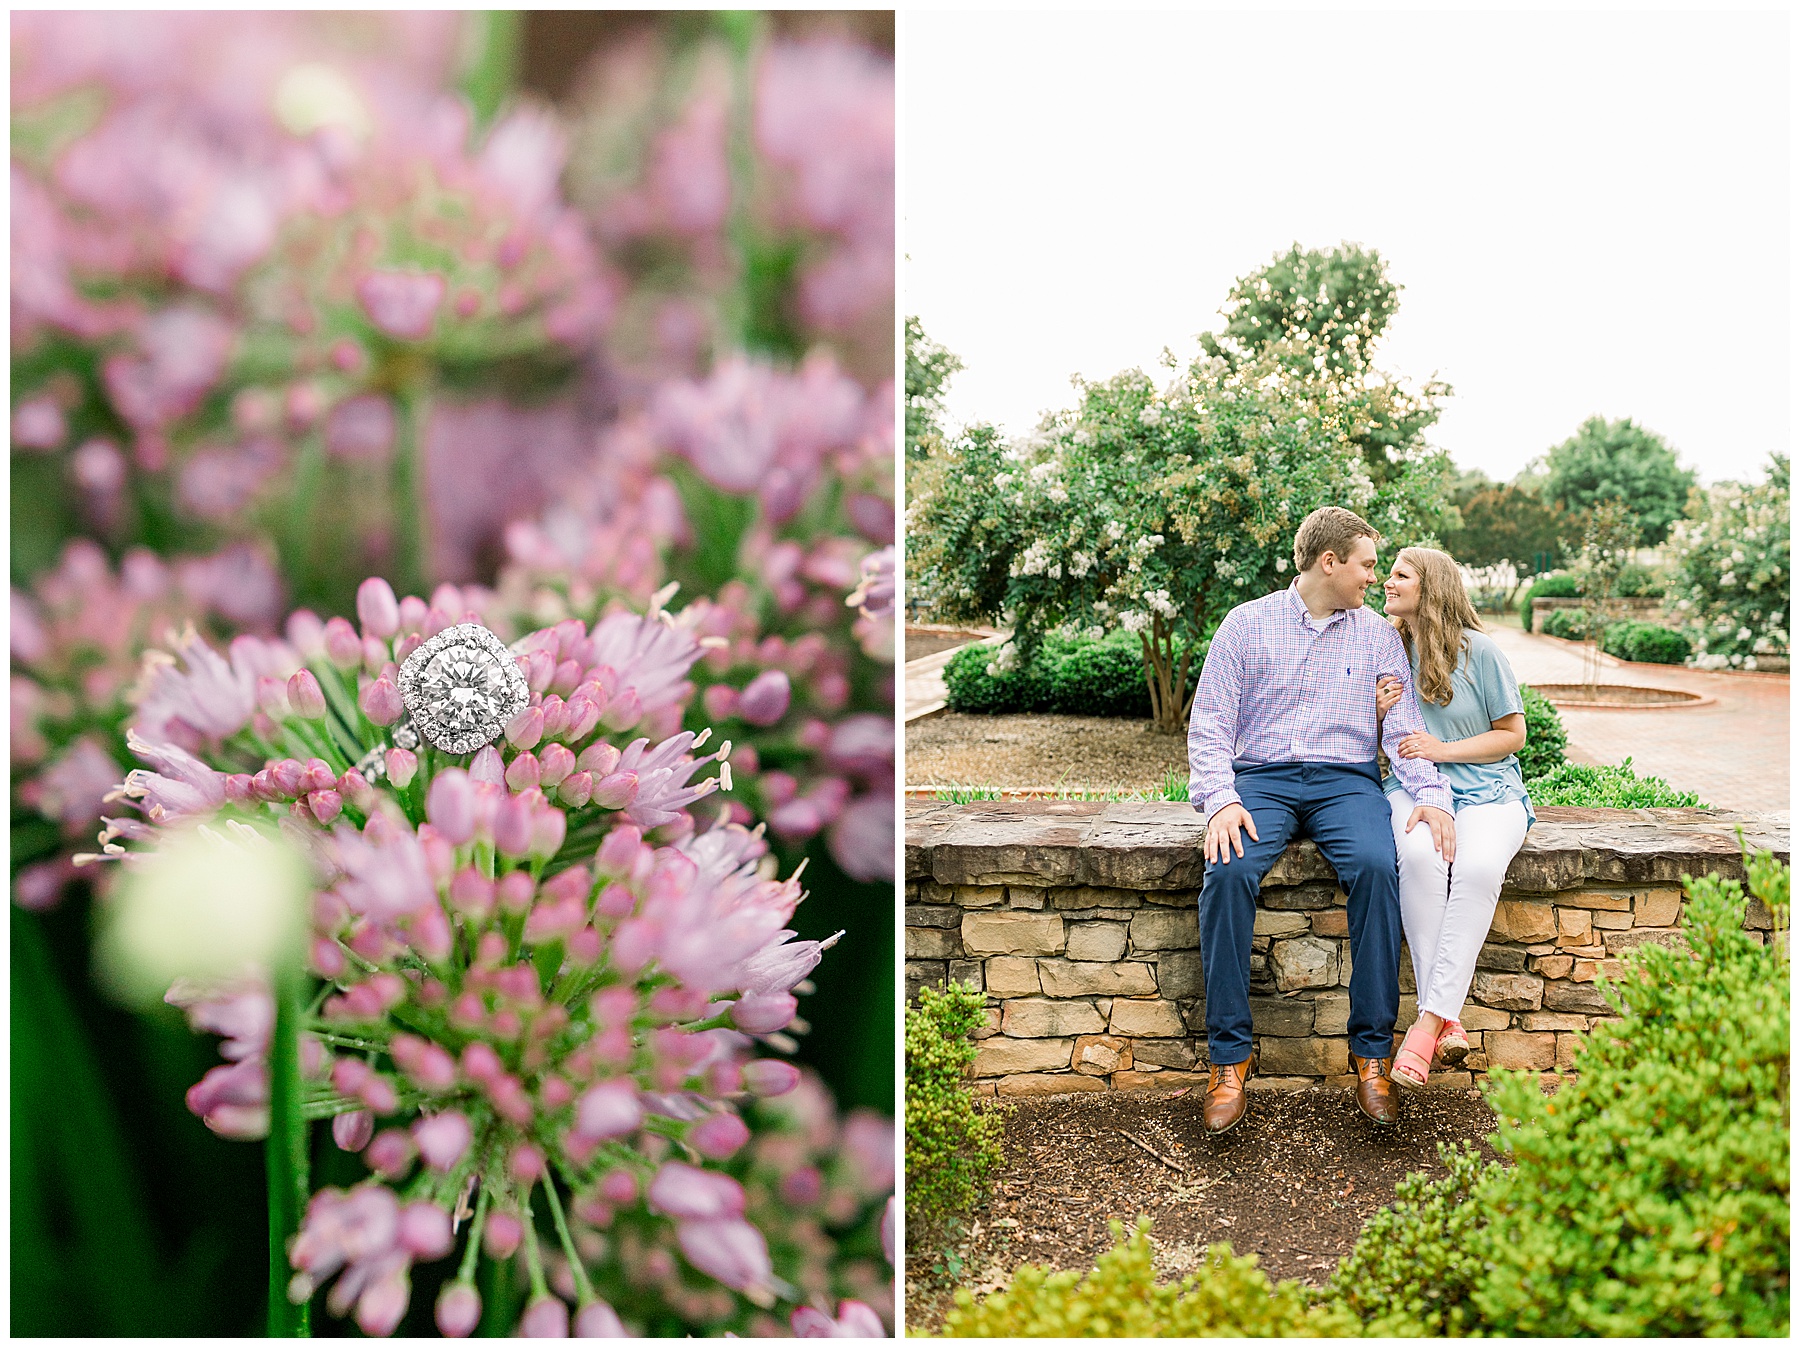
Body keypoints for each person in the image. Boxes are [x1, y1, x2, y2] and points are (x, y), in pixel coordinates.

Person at [1187, 506, 1455, 1134]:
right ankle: (1230, 1060)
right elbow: (1210, 723)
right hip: (1262, 781)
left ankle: (1370, 1056)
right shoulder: (1245, 625)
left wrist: (1431, 796)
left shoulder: (1378, 636)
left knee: (1374, 865)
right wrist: (1221, 799)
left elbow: (1404, 726)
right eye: (1366, 565)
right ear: (1329, 563)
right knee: (1226, 870)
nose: (1373, 580)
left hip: (1345, 783)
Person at [1374, 546, 1533, 1087]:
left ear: (1431, 587)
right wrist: (1372, 712)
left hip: (1489, 792)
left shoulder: (1480, 652)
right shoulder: (1386, 647)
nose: (1386, 583)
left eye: (1400, 576)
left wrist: (1441, 749)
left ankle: (1426, 1024)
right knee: (1419, 856)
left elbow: (1513, 735)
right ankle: (1445, 1018)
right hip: (1411, 788)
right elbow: (1371, 739)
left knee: (1477, 869)